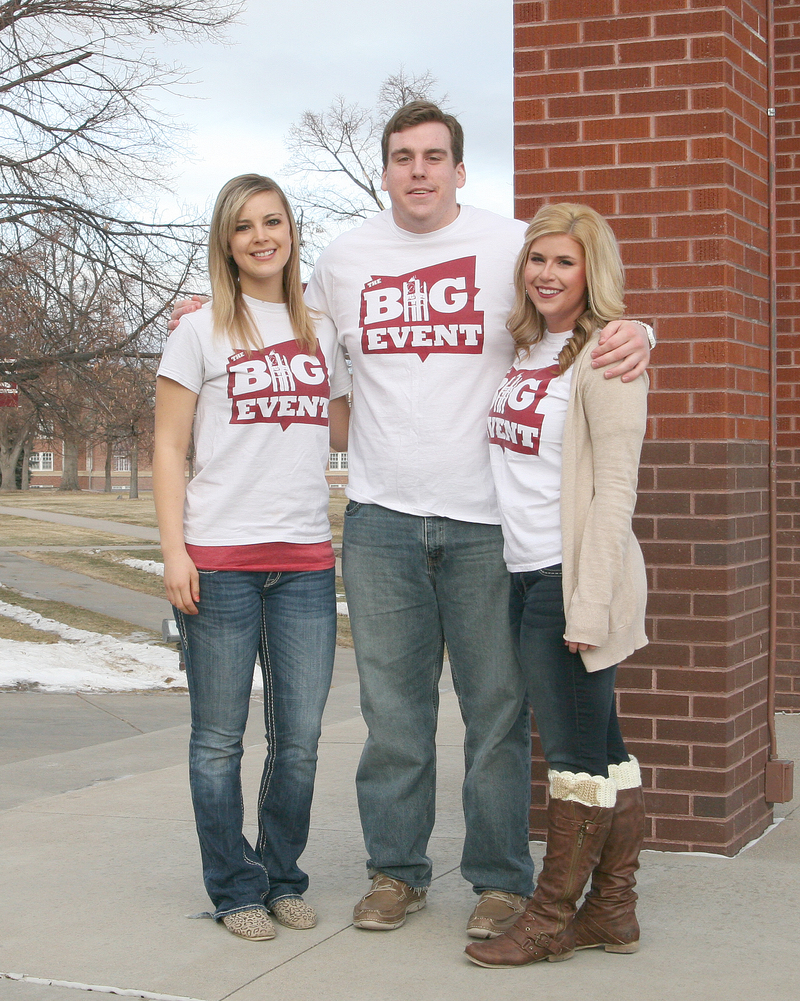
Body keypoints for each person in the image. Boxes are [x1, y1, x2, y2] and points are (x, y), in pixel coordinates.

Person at [170, 101, 652, 940]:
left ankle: (500, 880)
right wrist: (195, 310)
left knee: (497, 715)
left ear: (460, 170)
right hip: (382, 521)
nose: (419, 170)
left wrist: (641, 328)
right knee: (394, 718)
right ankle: (396, 872)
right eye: (403, 156)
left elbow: (575, 308)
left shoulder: (508, 247)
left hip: (485, 527)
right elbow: (274, 322)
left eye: (435, 156)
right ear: (386, 169)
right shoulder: (347, 259)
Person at [153, 174, 351, 942]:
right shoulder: (198, 330)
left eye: (274, 221)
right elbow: (169, 447)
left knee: (298, 739)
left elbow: (340, 427)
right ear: (226, 243)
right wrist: (175, 551)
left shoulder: (320, 331)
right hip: (219, 559)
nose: (262, 235)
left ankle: (282, 873)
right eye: (244, 226)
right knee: (219, 739)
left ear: (292, 231)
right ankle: (235, 887)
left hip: (303, 560)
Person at [465, 203, 648, 969]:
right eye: (537, 259)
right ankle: (612, 910)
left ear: (590, 271)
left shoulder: (605, 357)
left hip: (570, 581)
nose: (546, 273)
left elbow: (615, 490)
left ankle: (548, 917)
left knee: (572, 759)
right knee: (602, 748)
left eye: (564, 262)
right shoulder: (530, 346)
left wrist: (590, 601)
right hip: (522, 571)